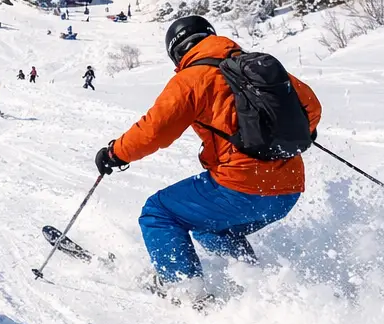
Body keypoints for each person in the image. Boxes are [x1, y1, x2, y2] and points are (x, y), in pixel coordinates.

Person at [93, 16, 322, 304]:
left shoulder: (191, 78)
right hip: (287, 191)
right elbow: (311, 107)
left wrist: (115, 153)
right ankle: (257, 286)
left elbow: (154, 131)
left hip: (240, 188)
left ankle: (184, 287)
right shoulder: (257, 67)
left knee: (159, 212)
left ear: (177, 52)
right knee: (210, 226)